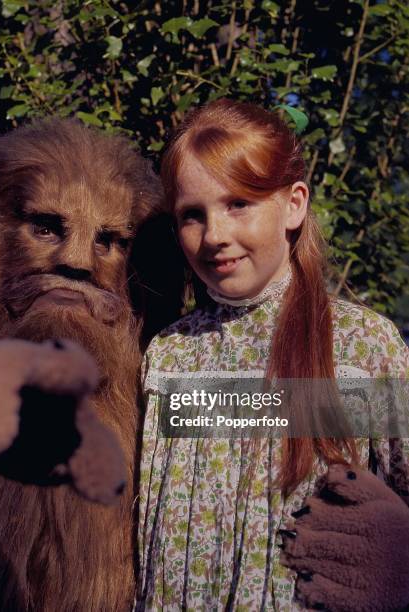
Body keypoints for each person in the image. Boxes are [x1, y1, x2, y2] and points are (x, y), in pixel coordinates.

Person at [135, 99, 409, 611]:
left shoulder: (361, 348)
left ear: (293, 204)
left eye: (239, 203)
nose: (214, 236)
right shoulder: (167, 358)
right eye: (192, 215)